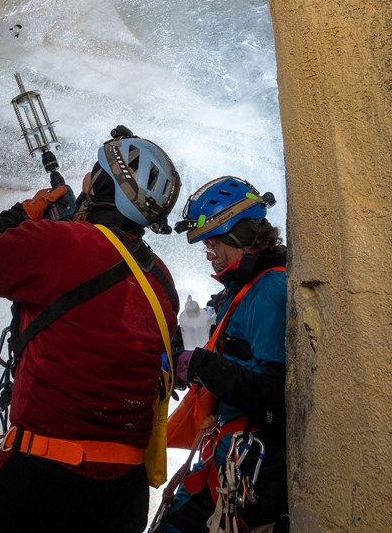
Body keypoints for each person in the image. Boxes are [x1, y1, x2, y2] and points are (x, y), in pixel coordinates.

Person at [0, 128, 181, 533]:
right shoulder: (161, 279)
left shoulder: (64, 243)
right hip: (125, 496)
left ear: (103, 185)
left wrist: (24, 215)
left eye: (94, 171)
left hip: (44, 479)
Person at [159, 176, 288, 533]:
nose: (209, 253)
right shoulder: (245, 289)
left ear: (242, 236)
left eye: (214, 242)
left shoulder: (270, 292)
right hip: (228, 462)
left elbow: (278, 399)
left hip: (250, 472)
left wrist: (201, 366)